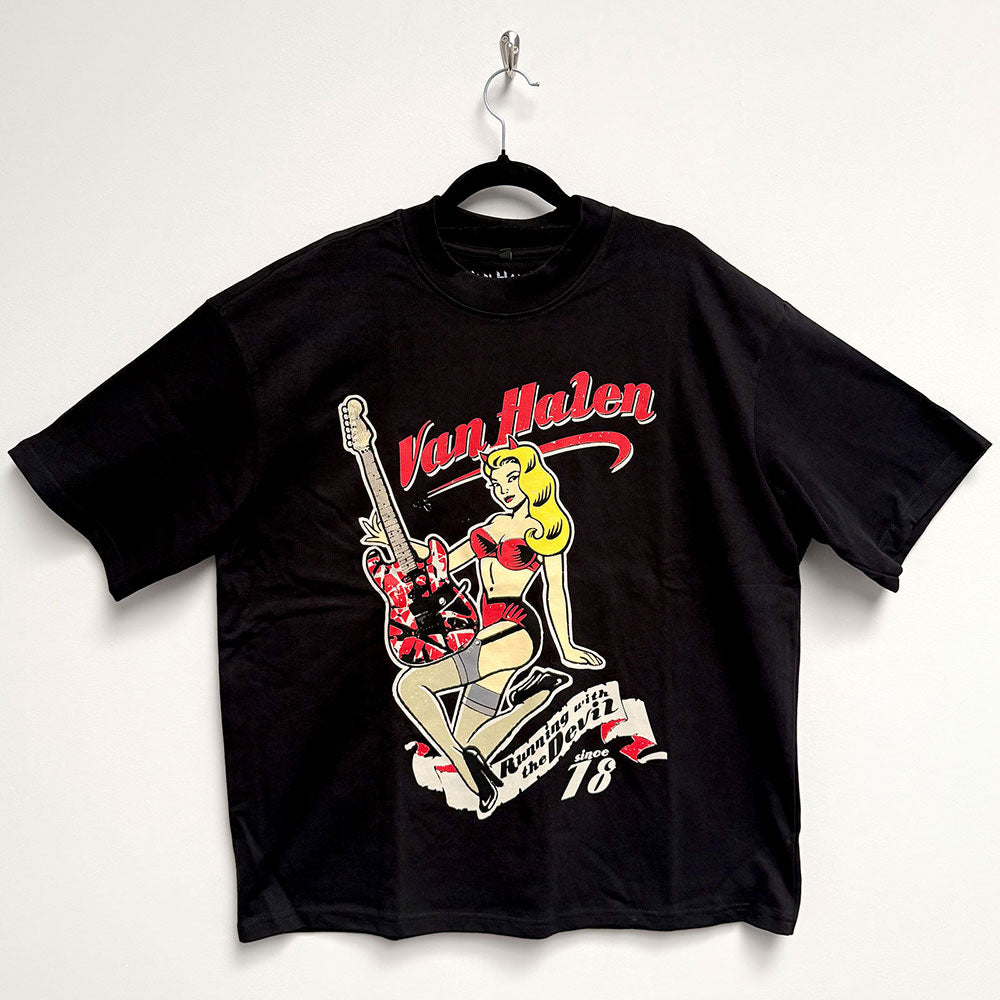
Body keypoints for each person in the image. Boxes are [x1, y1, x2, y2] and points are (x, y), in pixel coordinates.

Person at [360, 438, 603, 816]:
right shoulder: (494, 524)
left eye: (511, 479)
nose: (502, 489)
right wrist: (394, 541)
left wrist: (567, 648)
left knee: (411, 686)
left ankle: (470, 767)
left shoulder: (546, 528)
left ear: (531, 478)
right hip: (482, 628)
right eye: (496, 483)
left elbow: (555, 589)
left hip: (514, 629)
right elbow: (446, 560)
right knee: (466, 744)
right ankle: (534, 698)